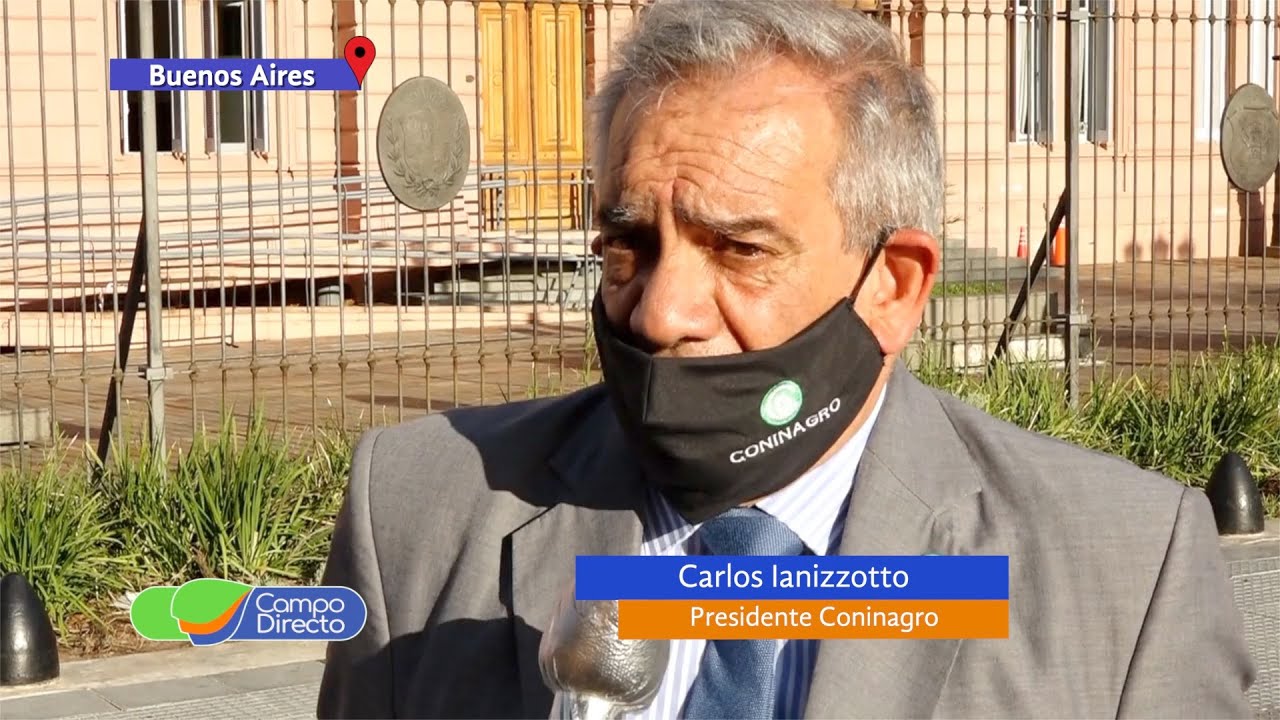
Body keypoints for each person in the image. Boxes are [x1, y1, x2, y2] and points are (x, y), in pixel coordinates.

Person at [316, 1, 1256, 717]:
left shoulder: (1125, 573)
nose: (662, 312)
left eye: (739, 250)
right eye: (629, 245)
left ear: (893, 286)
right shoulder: (417, 516)